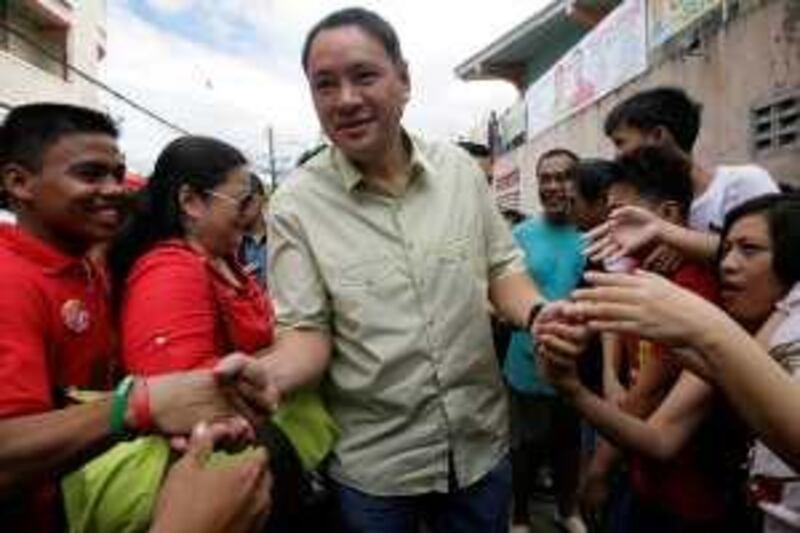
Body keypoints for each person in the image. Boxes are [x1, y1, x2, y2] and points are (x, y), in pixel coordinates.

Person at [216, 7, 552, 532]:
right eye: (325, 85)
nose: (345, 99)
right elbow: (306, 332)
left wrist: (538, 314)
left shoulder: (461, 172)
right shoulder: (297, 205)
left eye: (364, 76)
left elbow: (503, 269)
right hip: (374, 470)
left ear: (404, 80)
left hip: (481, 449)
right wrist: (271, 374)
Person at [0, 103, 263, 532]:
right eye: (90, 175)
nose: (114, 189)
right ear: (19, 182)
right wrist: (136, 406)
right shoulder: (8, 281)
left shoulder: (90, 265)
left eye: (117, 175)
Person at [110, 135, 336, 532]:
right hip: (218, 486)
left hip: (260, 469)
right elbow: (178, 397)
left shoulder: (223, 261)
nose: (253, 214)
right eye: (243, 201)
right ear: (191, 202)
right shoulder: (171, 273)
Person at [542, 145, 748, 533]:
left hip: (686, 499)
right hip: (645, 478)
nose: (608, 224)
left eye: (619, 214)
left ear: (667, 217)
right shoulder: (644, 270)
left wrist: (599, 470)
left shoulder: (692, 288)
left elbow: (646, 399)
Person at [567, 193, 800, 531]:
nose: (728, 264)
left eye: (748, 250)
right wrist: (570, 385)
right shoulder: (772, 322)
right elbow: (740, 372)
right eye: (725, 250)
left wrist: (704, 327)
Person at [586, 86, 778, 268]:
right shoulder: (658, 204)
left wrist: (677, 240)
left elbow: (772, 252)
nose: (617, 156)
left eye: (621, 142)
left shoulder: (744, 182)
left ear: (658, 135)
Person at [504, 148, 586, 533]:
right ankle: (520, 516)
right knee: (524, 449)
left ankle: (567, 510)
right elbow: (499, 294)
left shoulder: (592, 232)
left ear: (579, 180)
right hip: (524, 364)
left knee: (569, 445)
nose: (553, 186)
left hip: (576, 365)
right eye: (545, 178)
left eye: (563, 176)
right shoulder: (519, 236)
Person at [238, 174, 270, 289]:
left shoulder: (281, 234)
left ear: (262, 199)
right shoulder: (227, 244)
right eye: (236, 200)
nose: (240, 206)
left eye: (246, 199)